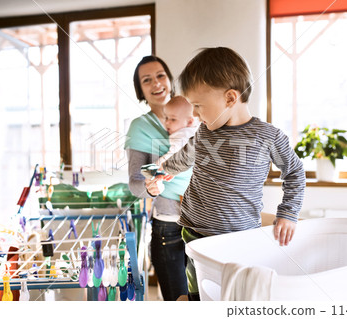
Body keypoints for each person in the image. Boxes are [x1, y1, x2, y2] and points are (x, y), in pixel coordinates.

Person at [146, 47, 306, 300]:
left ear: (230, 98)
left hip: (238, 239)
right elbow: (185, 157)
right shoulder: (205, 132)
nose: (195, 115)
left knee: (234, 295)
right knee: (198, 292)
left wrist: (288, 213)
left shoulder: (267, 136)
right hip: (194, 232)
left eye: (198, 106)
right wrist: (163, 171)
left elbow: (295, 173)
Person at [124, 56, 191, 301]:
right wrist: (151, 188)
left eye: (160, 75)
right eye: (147, 79)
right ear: (140, 89)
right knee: (178, 301)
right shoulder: (139, 128)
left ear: (170, 79)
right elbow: (134, 182)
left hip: (204, 222)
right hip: (169, 225)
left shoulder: (193, 113)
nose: (156, 83)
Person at [157, 95, 198, 166]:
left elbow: (173, 155)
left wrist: (158, 164)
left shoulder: (180, 136)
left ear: (189, 122)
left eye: (173, 119)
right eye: (166, 118)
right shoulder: (194, 129)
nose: (167, 122)